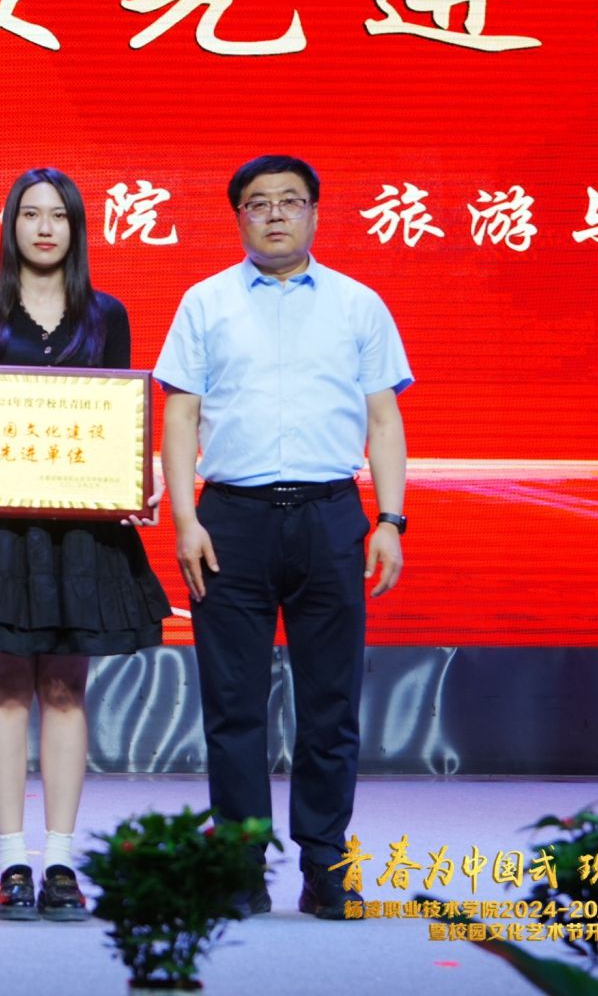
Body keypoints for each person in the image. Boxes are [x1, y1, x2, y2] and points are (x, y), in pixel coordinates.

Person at [153, 154, 410, 920]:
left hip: (331, 515)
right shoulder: (205, 301)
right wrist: (186, 519)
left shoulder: (359, 304)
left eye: (290, 201)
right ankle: (239, 862)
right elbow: (179, 416)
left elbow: (384, 419)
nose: (275, 214)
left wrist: (390, 519)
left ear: (315, 213)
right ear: (238, 216)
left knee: (331, 702)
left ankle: (326, 863)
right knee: (234, 703)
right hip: (231, 519)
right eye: (258, 202)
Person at [0, 168, 170, 923]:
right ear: (10, 225)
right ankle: (12, 863)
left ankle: (60, 859)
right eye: (29, 214)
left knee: (66, 689)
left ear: (76, 227)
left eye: (57, 215)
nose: (43, 227)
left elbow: (122, 418)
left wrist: (138, 475)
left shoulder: (107, 314)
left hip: (81, 532)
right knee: (4, 687)